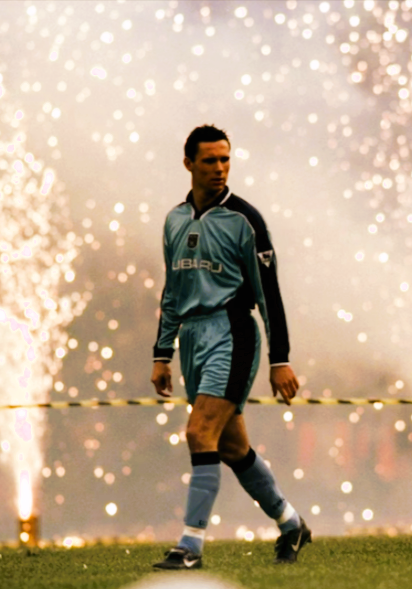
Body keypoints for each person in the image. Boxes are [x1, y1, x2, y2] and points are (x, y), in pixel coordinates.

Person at [150, 125, 312, 570]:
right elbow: (172, 290)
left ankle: (191, 547)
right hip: (193, 339)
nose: (220, 168)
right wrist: (162, 353)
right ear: (188, 164)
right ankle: (291, 523)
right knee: (232, 447)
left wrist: (280, 360)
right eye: (209, 161)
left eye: (225, 160)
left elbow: (270, 293)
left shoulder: (246, 220)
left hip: (233, 333)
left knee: (198, 432)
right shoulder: (174, 219)